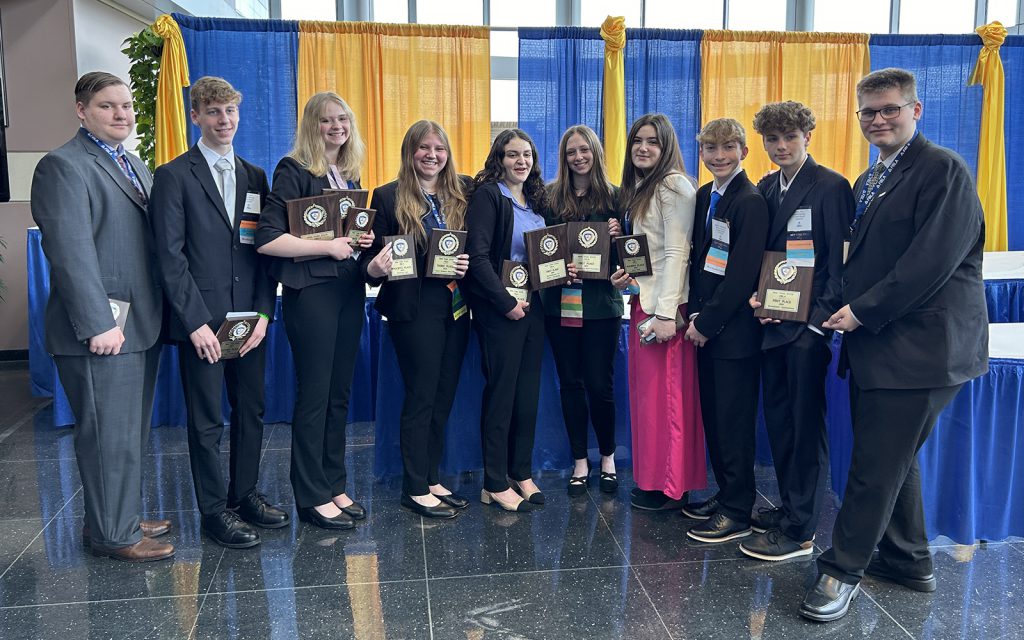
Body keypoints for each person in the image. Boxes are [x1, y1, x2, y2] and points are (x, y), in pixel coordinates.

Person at [801, 68, 988, 622]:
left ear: (916, 110)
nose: (878, 119)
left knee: (874, 465)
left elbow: (929, 263)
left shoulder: (943, 171)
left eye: (890, 109)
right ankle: (908, 560)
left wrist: (860, 311)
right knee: (893, 459)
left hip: (922, 350)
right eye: (869, 112)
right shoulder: (871, 178)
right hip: (881, 346)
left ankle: (842, 572)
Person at [30, 72, 173, 561]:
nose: (123, 115)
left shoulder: (133, 163)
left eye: (128, 106)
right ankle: (115, 535)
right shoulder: (63, 166)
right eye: (109, 106)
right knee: (107, 436)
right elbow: (70, 253)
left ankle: (119, 515)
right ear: (81, 110)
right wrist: (97, 323)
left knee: (127, 432)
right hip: (101, 330)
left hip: (139, 323)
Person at [150, 76, 288, 549]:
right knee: (207, 419)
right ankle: (213, 511)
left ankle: (244, 493)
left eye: (230, 111)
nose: (223, 120)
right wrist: (193, 324)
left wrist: (265, 315)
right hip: (202, 322)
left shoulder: (255, 175)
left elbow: (263, 249)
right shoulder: (173, 175)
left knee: (251, 409)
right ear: (195, 117)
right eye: (213, 112)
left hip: (249, 318)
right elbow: (170, 258)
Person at [739, 101, 854, 561]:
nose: (781, 146)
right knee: (782, 425)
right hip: (770, 326)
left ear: (809, 135)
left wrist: (814, 325)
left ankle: (801, 530)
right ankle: (789, 508)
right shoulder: (767, 187)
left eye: (790, 137)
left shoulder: (831, 186)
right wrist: (755, 299)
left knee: (806, 431)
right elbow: (758, 255)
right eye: (772, 139)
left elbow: (838, 265)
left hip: (807, 331)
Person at [255, 92, 374, 530]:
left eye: (342, 119)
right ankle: (310, 495)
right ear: (312, 126)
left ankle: (333, 484)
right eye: (327, 121)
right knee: (315, 396)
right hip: (312, 296)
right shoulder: (294, 171)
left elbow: (349, 240)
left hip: (347, 293)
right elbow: (266, 238)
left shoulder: (347, 173)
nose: (336, 127)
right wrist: (328, 246)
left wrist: (361, 245)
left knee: (338, 395)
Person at [361, 120, 471, 519]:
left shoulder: (461, 192)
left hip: (456, 308)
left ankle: (431, 476)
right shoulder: (388, 196)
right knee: (421, 396)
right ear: (410, 152)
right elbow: (365, 259)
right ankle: (413, 487)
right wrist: (375, 266)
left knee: (443, 397)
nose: (432, 155)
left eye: (439, 148)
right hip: (414, 309)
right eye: (424, 148)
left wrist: (466, 262)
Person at [464, 129, 568, 512]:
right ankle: (493, 481)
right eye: (512, 155)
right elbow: (477, 259)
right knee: (501, 394)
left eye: (526, 154)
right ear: (499, 159)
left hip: (534, 308)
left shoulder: (536, 200)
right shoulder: (490, 196)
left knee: (527, 395)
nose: (521, 161)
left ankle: (520, 473)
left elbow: (544, 256)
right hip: (500, 310)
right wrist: (506, 302)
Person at [610, 113, 705, 511]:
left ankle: (672, 487)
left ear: (666, 147)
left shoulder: (673, 185)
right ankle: (654, 480)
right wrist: (630, 280)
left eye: (653, 142)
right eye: (637, 141)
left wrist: (667, 315)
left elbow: (678, 253)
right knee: (649, 402)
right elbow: (652, 255)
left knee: (668, 401)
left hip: (667, 312)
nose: (643, 148)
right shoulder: (643, 188)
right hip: (645, 304)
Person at [683, 118, 769, 542]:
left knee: (733, 423)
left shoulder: (748, 201)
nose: (719, 156)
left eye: (728, 148)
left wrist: (708, 323)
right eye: (710, 149)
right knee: (715, 419)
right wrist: (695, 317)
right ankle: (726, 492)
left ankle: (738, 509)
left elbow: (741, 273)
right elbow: (704, 260)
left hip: (732, 334)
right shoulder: (706, 196)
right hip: (705, 327)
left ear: (744, 152)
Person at [542, 125, 623, 496]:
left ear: (595, 153)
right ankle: (579, 461)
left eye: (584, 150)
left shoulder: (616, 198)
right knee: (570, 385)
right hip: (559, 306)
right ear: (564, 156)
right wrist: (559, 265)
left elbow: (632, 258)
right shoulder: (548, 199)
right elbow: (538, 249)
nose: (578, 157)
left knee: (599, 385)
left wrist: (619, 235)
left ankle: (606, 457)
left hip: (601, 307)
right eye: (571, 151)